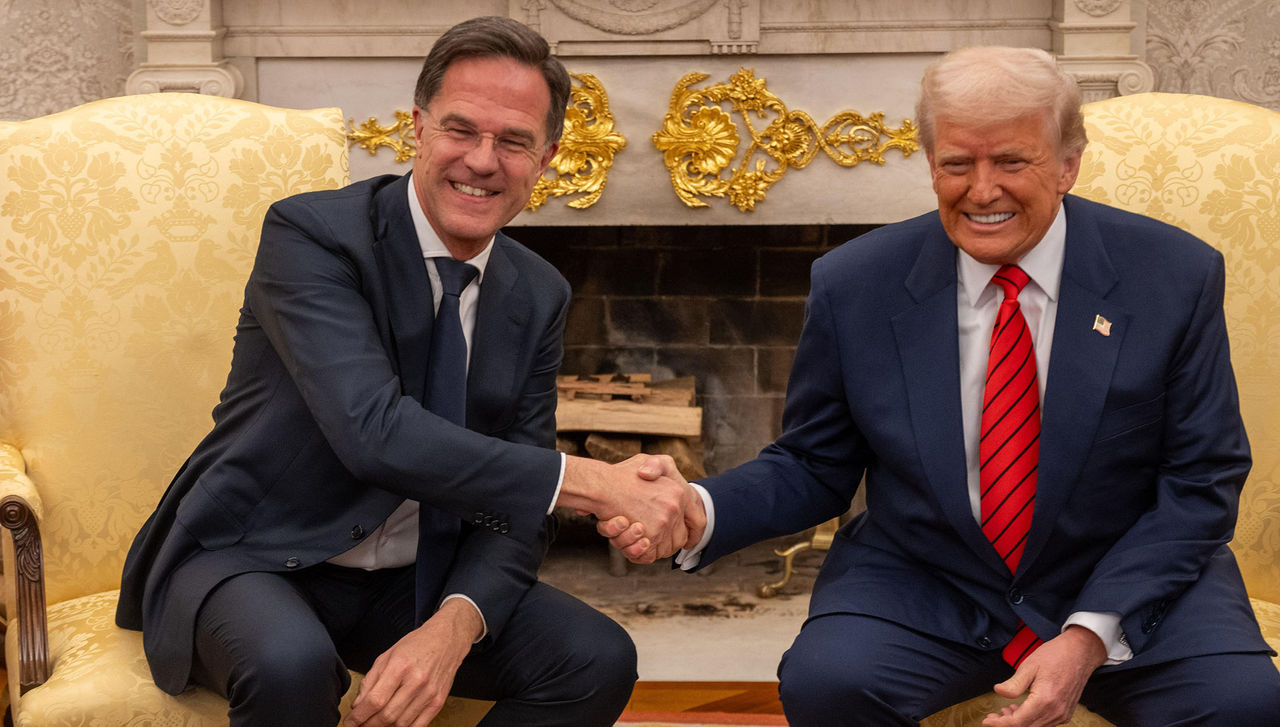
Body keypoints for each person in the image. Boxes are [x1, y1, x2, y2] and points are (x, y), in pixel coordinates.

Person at [608, 46, 1279, 726]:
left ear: (1068, 163)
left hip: (1122, 573)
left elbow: (1201, 478)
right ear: (931, 164)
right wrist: (698, 507)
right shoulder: (855, 283)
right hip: (927, 574)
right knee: (828, 682)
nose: (982, 190)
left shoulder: (1172, 275)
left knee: (1244, 704)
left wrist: (1087, 634)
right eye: (958, 163)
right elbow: (814, 463)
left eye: (1012, 161)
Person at [116, 16, 700, 727]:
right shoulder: (312, 237)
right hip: (256, 553)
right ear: (417, 128)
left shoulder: (537, 292)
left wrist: (454, 626)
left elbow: (512, 510)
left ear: (544, 161)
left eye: (513, 141)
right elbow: (375, 431)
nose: (483, 160)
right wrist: (596, 482)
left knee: (594, 658)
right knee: (289, 663)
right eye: (462, 129)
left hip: (409, 580)